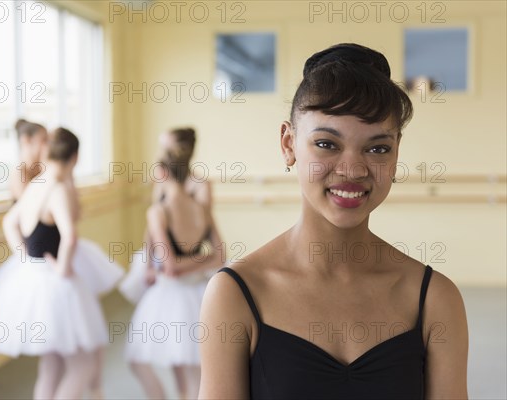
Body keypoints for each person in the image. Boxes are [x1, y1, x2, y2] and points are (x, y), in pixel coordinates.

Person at [199, 43, 469, 399]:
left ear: (396, 152)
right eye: (327, 144)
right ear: (289, 144)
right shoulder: (235, 294)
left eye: (377, 148)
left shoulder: (435, 297)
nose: (353, 170)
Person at [0, 128, 121, 399]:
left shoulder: (37, 184)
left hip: (34, 276)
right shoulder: (56, 188)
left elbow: (9, 222)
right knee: (83, 366)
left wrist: (24, 256)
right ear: (75, 157)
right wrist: (63, 268)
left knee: (51, 366)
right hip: (55, 283)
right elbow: (70, 235)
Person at [125, 128, 225, 400]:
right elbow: (218, 253)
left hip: (176, 287)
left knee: (175, 360)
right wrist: (196, 261)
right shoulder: (195, 207)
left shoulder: (176, 200)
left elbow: (170, 263)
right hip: (186, 280)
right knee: (185, 361)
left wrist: (177, 266)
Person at [10, 119, 48, 200]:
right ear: (26, 140)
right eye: (44, 140)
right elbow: (30, 206)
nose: (47, 145)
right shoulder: (19, 173)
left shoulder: (42, 168)